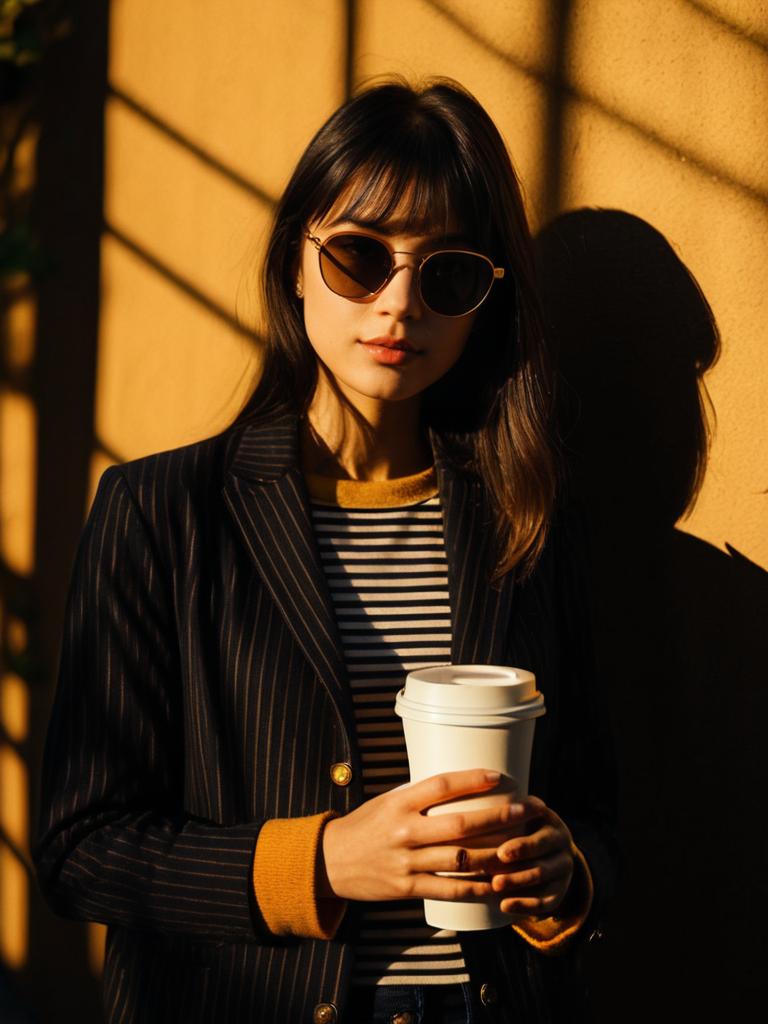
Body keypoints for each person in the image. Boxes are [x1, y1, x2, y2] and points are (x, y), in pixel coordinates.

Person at [34, 77, 617, 1023]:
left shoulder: (527, 521)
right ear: (295, 262)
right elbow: (80, 847)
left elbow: (594, 805)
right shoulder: (161, 513)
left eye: (448, 274)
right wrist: (320, 863)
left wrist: (566, 875)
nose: (398, 303)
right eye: (357, 256)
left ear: (484, 303)